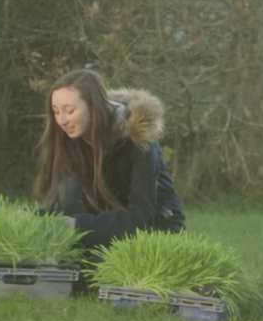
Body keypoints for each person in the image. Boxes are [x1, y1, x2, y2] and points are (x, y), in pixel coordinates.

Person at [33, 69, 185, 249]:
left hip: (155, 231)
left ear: (93, 107)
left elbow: (141, 219)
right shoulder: (70, 138)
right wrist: (32, 219)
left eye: (69, 111)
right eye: (56, 111)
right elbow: (67, 210)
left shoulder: (139, 141)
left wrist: (75, 225)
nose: (62, 120)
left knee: (93, 265)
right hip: (106, 227)